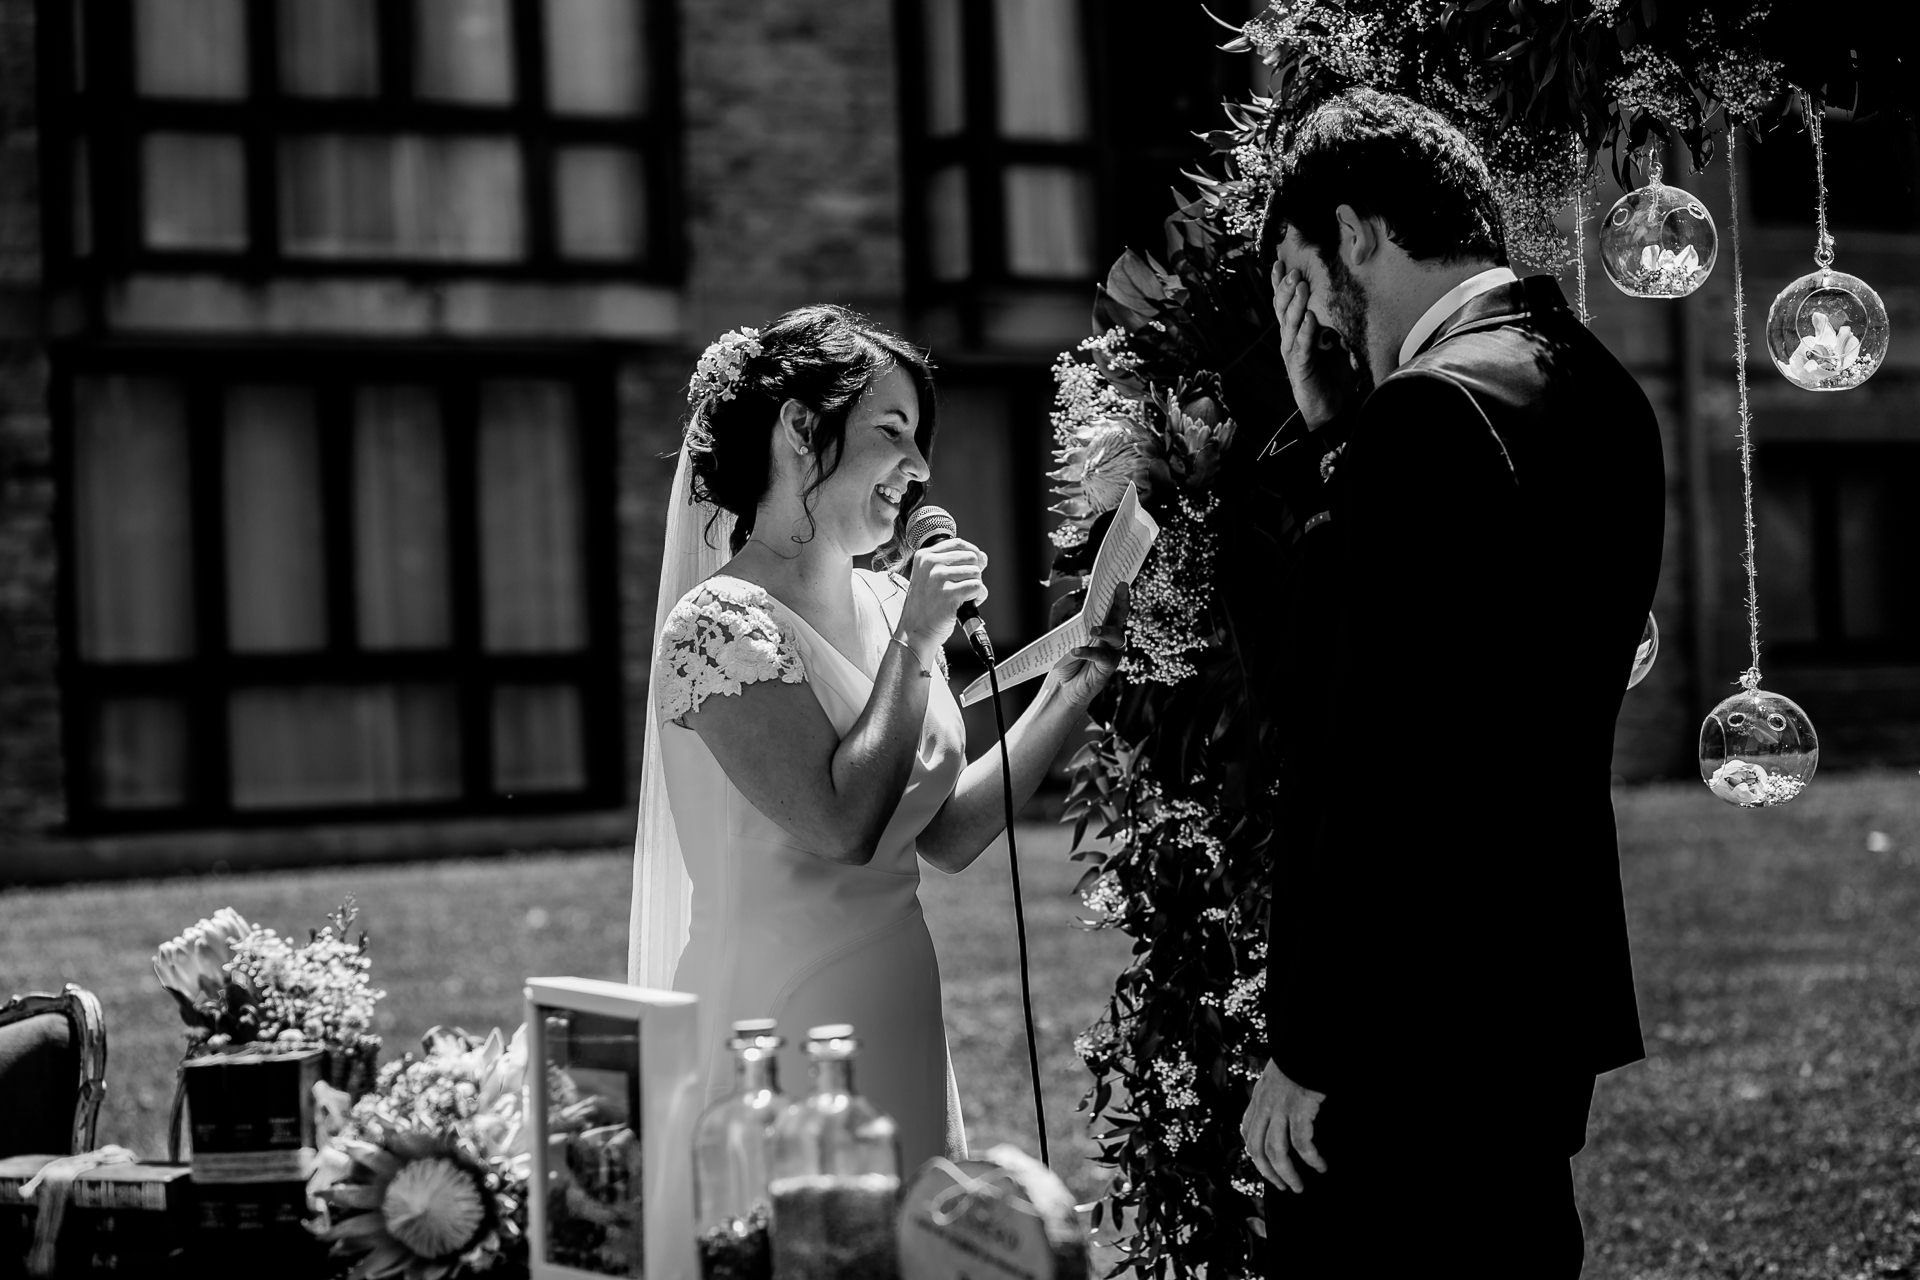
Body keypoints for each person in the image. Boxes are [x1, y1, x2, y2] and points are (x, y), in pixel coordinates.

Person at [1236, 90, 1666, 1276]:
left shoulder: (1424, 414)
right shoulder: (1602, 391)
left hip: (1400, 1039)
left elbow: (1373, 750)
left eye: (1304, 269)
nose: (1314, 310)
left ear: (1359, 234)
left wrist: (1307, 1044)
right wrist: (1336, 439)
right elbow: (1488, 687)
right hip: (1532, 1016)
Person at [629, 304, 1123, 1170]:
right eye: (892, 430)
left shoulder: (892, 606)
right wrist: (919, 639)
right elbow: (841, 826)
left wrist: (1074, 686)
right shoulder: (716, 625)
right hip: (779, 1028)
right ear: (799, 426)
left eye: (921, 437)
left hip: (896, 999)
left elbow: (947, 836)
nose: (920, 466)